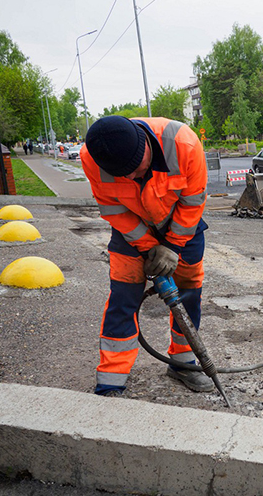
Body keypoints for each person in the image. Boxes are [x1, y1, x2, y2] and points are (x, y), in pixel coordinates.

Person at [80, 116, 209, 397]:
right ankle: (111, 379)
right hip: (131, 230)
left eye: (136, 171)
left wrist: (172, 246)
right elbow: (113, 210)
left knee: (188, 294)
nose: (131, 179)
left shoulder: (183, 144)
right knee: (123, 298)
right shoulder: (92, 157)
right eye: (122, 175)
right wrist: (149, 246)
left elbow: (193, 201)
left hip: (182, 226)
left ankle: (183, 364)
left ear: (146, 147)